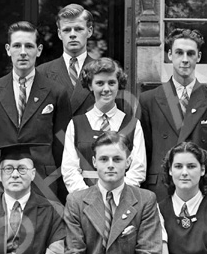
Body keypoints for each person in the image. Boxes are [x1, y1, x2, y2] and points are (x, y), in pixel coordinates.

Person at [0, 21, 71, 202]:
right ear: (7, 49)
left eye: (29, 46)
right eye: (17, 46)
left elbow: (62, 143)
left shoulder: (56, 92)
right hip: (2, 181)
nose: (22, 52)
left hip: (44, 182)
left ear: (39, 50)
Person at [139, 28, 207, 202]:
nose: (185, 60)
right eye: (179, 53)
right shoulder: (149, 100)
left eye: (190, 54)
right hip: (161, 188)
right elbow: (145, 151)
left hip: (202, 189)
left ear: (199, 57)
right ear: (169, 55)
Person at [61, 58, 146, 194]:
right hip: (84, 201)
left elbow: (138, 168)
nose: (106, 89)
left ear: (119, 85)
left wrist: (118, 196)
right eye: (100, 83)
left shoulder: (133, 124)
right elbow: (69, 168)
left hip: (122, 200)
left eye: (111, 83)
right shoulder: (76, 124)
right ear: (90, 85)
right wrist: (87, 198)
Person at [37, 3, 97, 115]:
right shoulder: (42, 73)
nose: (72, 34)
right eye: (67, 30)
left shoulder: (103, 71)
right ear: (59, 34)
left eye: (78, 29)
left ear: (89, 31)